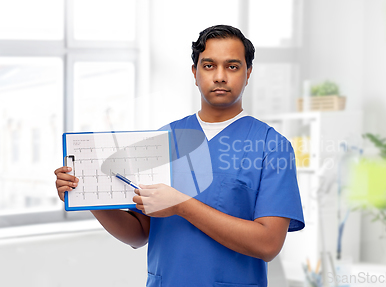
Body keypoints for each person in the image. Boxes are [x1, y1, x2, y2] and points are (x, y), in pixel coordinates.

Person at [54, 24, 304, 287]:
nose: (220, 76)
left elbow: (268, 244)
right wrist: (85, 195)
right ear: (195, 73)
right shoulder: (162, 140)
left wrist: (182, 206)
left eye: (232, 66)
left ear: (248, 73)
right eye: (209, 66)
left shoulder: (272, 146)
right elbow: (139, 233)